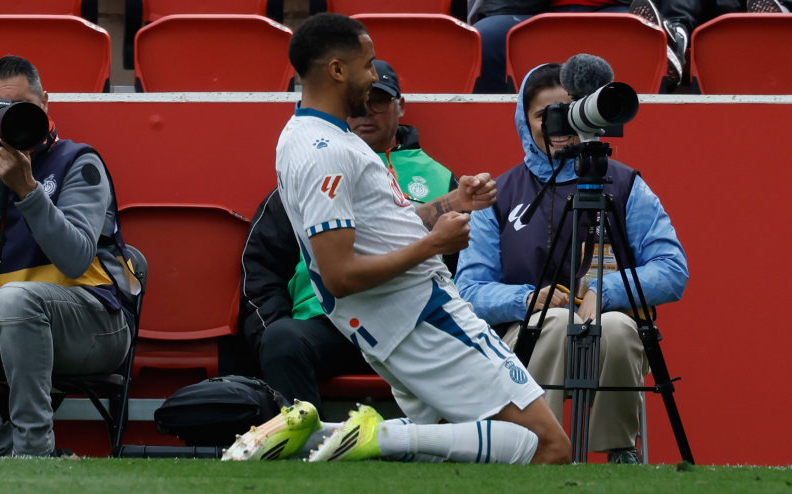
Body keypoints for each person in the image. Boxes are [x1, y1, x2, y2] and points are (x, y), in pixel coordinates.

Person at [225, 13, 570, 465]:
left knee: (447, 453)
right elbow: (340, 275)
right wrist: (434, 245)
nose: (373, 77)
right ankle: (378, 436)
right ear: (336, 70)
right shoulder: (326, 153)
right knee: (551, 447)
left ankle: (313, 431)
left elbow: (383, 230)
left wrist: (452, 203)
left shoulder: (303, 137)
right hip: (424, 317)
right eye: (368, 65)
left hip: (393, 326)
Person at [455, 62, 688, 464]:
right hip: (522, 333)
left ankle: (619, 451)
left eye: (568, 109)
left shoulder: (626, 184)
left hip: (607, 325)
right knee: (556, 321)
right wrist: (530, 300)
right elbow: (469, 291)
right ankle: (541, 448)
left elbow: (671, 269)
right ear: (524, 122)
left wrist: (604, 293)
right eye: (544, 115)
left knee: (614, 325)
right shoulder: (499, 193)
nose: (558, 124)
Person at [0, 55, 132, 457]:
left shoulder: (78, 161)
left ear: (46, 103)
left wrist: (30, 193)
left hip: (93, 326)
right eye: (2, 111)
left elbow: (75, 259)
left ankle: (33, 448)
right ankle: (10, 453)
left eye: (25, 108)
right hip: (12, 327)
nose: (14, 119)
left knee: (15, 297)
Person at [241, 59, 460, 418]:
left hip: (410, 325)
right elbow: (261, 269)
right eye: (359, 101)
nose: (366, 111)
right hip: (327, 325)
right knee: (282, 340)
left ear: (400, 106)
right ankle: (303, 463)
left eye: (379, 100)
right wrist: (273, 328)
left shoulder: (440, 180)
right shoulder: (309, 166)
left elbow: (457, 270)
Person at [467, 1, 630, 94]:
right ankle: (497, 122)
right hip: (525, 9)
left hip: (616, 6)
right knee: (486, 37)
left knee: (644, 32)